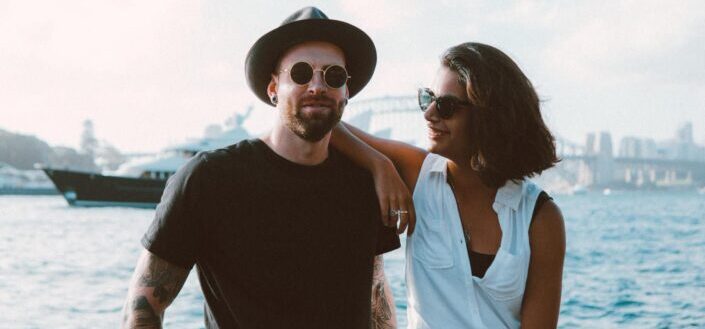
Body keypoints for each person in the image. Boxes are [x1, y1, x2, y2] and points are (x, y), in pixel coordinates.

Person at [121, 7, 401, 329]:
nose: (317, 85)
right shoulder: (210, 179)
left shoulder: (363, 185)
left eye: (333, 76)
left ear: (346, 91)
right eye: (300, 73)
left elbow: (376, 297)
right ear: (272, 88)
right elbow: (143, 308)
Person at [331, 42, 566, 328]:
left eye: (445, 105)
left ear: (490, 115)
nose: (429, 113)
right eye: (427, 98)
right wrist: (379, 165)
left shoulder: (540, 218)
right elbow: (328, 124)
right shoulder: (417, 173)